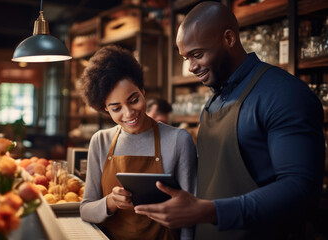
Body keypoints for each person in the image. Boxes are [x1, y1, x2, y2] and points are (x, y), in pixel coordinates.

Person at [134, 2, 325, 240]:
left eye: (197, 54)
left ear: (229, 38)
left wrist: (210, 211)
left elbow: (301, 189)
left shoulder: (284, 94)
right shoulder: (213, 101)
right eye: (186, 57)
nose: (191, 67)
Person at [79, 45, 197, 240]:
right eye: (116, 108)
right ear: (105, 109)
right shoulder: (100, 141)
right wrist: (110, 202)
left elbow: (191, 214)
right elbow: (86, 209)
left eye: (133, 100)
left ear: (143, 91)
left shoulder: (178, 140)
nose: (129, 113)